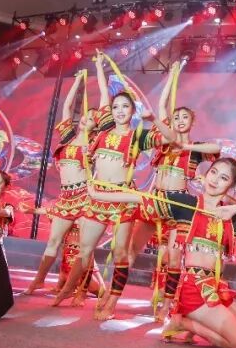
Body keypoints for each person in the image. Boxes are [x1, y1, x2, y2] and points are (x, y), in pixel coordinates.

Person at [90, 158, 236, 348]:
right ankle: (184, 323)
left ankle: (188, 321)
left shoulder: (233, 216)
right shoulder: (186, 204)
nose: (215, 180)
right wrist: (96, 193)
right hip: (193, 289)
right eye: (213, 172)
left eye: (223, 178)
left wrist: (234, 209)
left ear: (230, 186)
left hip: (216, 288)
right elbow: (138, 198)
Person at [53, 83, 178, 319]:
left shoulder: (138, 136)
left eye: (125, 107)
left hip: (122, 200)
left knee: (121, 253)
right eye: (116, 107)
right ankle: (69, 289)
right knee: (84, 249)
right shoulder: (101, 135)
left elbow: (170, 137)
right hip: (98, 198)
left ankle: (111, 302)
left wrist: (153, 119)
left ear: (132, 111)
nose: (120, 111)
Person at [127, 61, 223, 322]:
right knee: (131, 249)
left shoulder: (196, 148)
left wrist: (187, 147)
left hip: (178, 205)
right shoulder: (164, 142)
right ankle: (112, 296)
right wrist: (172, 75)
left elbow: (216, 148)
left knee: (173, 256)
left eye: (185, 118)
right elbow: (161, 107)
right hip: (155, 199)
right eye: (177, 117)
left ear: (192, 122)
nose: (180, 121)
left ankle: (167, 305)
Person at [23, 60, 109, 295]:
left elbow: (104, 105)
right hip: (65, 198)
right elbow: (67, 108)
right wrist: (78, 80)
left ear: (97, 125)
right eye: (85, 115)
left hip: (83, 197)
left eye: (91, 118)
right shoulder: (69, 137)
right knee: (53, 242)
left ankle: (83, 287)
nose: (85, 118)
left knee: (84, 247)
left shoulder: (95, 143)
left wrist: (100, 72)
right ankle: (39, 280)